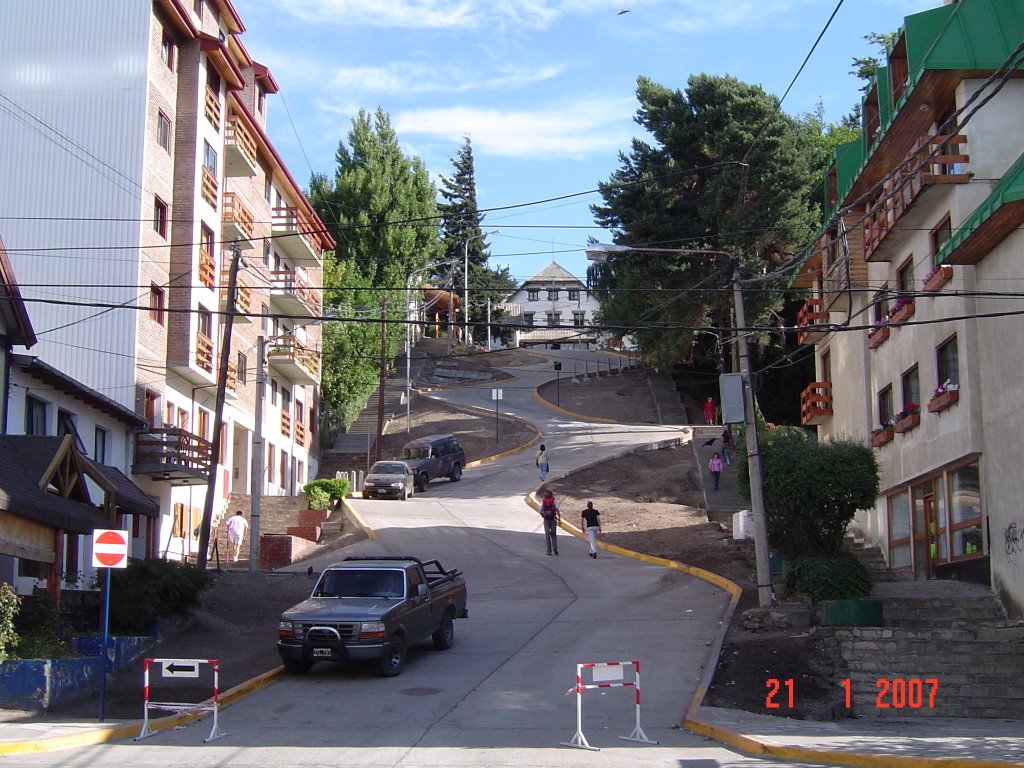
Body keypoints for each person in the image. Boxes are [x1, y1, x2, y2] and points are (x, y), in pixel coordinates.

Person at [539, 489, 560, 555]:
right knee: (553, 534)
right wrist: (559, 519)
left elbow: (540, 511)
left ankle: (549, 551)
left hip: (546, 519)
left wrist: (543, 515)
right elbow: (557, 510)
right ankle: (555, 548)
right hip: (553, 519)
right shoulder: (555, 501)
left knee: (547, 535)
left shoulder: (543, 501)